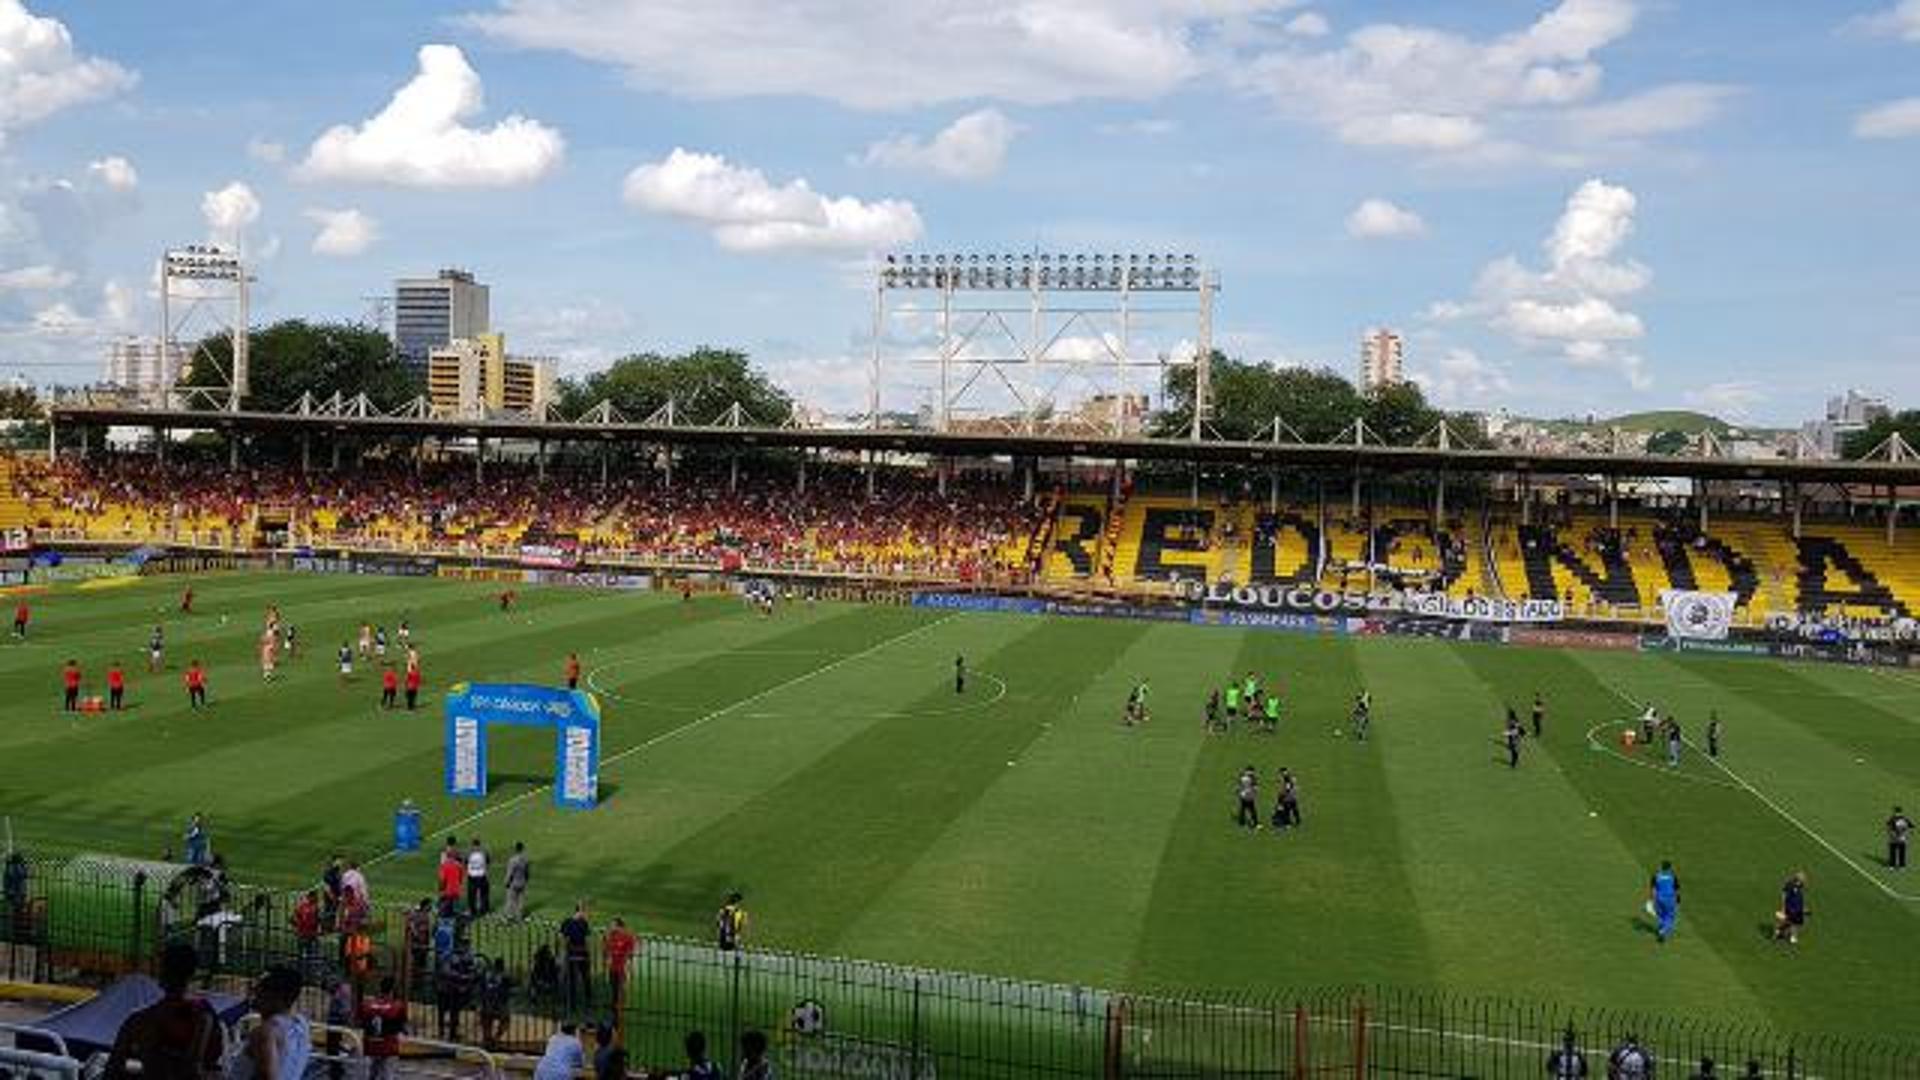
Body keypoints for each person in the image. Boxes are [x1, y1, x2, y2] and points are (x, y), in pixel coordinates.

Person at [104, 941, 225, 1080]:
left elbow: (112, 1069)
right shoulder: (204, 1014)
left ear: (161, 975)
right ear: (192, 973)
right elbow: (193, 1069)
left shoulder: (138, 1020)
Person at [227, 965, 310, 1080]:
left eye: (262, 988)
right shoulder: (301, 1024)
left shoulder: (266, 1032)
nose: (254, 992)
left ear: (280, 997)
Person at [357, 976, 408, 1080]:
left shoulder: (367, 1004)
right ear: (393, 990)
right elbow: (402, 1025)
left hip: (371, 1045)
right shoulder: (397, 1006)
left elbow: (360, 1021)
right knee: (387, 1075)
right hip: (388, 1047)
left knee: (371, 1075)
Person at [434, 939, 475, 1042]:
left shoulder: (467, 956)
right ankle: (442, 1031)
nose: (467, 948)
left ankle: (452, 1033)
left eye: (468, 946)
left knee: (454, 1011)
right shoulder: (449, 955)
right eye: (465, 945)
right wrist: (462, 977)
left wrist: (468, 978)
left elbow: (472, 970)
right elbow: (445, 971)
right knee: (443, 1010)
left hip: (455, 988)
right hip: (445, 988)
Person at [560, 902, 592, 1008]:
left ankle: (571, 1002)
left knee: (572, 978)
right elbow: (587, 939)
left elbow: (563, 938)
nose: (587, 914)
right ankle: (588, 1001)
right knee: (585, 977)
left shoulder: (567, 922)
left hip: (571, 953)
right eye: (585, 911)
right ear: (581, 911)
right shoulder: (583, 923)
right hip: (581, 953)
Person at [476, 957, 512, 1050]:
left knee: (486, 1020)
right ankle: (495, 1039)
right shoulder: (505, 976)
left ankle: (487, 1040)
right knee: (505, 1020)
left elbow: (480, 988)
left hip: (487, 1004)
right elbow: (509, 989)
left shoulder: (486, 974)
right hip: (498, 1004)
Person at [605, 916, 639, 1004]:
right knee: (613, 988)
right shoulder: (611, 935)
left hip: (622, 967)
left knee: (622, 988)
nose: (611, 927)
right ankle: (614, 1005)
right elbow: (608, 949)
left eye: (612, 925)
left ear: (619, 926)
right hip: (613, 967)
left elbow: (631, 953)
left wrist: (629, 967)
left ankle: (620, 1007)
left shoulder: (628, 936)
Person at [1649, 860, 1681, 943]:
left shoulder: (1656, 876)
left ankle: (1661, 927)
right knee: (1670, 917)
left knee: (1661, 914)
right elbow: (1677, 890)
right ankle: (1662, 932)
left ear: (1661, 867)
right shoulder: (1673, 877)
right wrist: (1678, 900)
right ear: (1670, 868)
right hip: (1670, 899)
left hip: (1659, 899)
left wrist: (1652, 900)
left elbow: (1653, 889)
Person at [1773, 871, 1808, 945]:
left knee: (1792, 922)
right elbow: (1784, 895)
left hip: (1797, 907)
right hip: (1791, 907)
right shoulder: (1790, 885)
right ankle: (1791, 936)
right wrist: (1783, 908)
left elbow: (1799, 897)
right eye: (1803, 879)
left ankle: (1780, 931)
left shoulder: (1800, 886)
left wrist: (1802, 907)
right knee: (1793, 922)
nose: (1804, 881)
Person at [504, 842, 531, 921]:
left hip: (513, 883)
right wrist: (526, 879)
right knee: (521, 900)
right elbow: (527, 872)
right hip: (522, 881)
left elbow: (510, 872)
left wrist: (506, 881)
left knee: (511, 899)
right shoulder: (525, 859)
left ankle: (509, 915)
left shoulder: (512, 860)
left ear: (515, 849)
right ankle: (519, 916)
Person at [466, 838, 491, 917]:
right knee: (484, 894)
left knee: (471, 895)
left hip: (472, 876)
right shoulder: (484, 853)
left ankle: (473, 911)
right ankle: (484, 910)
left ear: (473, 845)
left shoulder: (469, 853)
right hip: (481, 875)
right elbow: (488, 861)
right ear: (479, 845)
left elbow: (465, 861)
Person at [1235, 766, 1259, 831]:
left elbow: (1239, 787)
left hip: (1243, 796)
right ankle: (1255, 823)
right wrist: (1255, 793)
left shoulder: (1243, 777)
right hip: (1249, 796)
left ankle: (1241, 822)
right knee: (1252, 810)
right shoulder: (1252, 778)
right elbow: (1255, 788)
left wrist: (1239, 793)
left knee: (1243, 809)